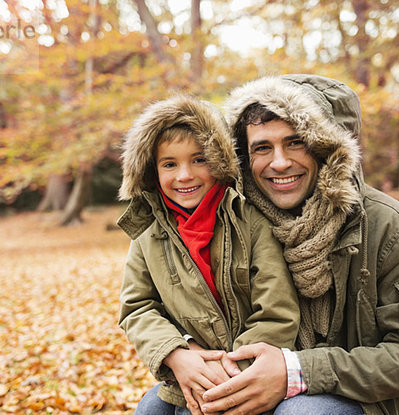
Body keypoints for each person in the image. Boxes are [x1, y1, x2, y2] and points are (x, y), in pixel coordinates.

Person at [194, 74, 399, 415]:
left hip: (360, 404)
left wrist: (297, 372)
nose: (280, 162)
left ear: (328, 149)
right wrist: (179, 353)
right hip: (249, 384)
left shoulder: (390, 226)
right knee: (158, 405)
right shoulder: (235, 222)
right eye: (262, 148)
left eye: (296, 142)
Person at [116, 95, 300, 413]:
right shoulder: (147, 233)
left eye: (199, 160)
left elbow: (277, 312)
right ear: (151, 170)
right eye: (170, 164)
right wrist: (177, 353)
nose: (184, 175)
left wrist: (224, 376)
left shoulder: (250, 221)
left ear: (219, 161)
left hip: (252, 371)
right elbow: (138, 308)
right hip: (187, 369)